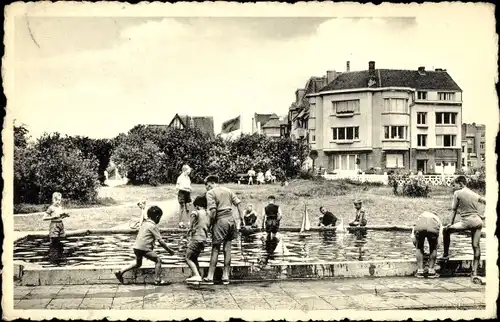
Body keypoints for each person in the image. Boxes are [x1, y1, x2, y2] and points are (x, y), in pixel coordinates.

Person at [115, 206, 175, 285]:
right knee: (158, 260)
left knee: (138, 264)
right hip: (144, 248)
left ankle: (121, 271)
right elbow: (160, 241)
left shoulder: (145, 223)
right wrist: (169, 250)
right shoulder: (153, 226)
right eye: (159, 218)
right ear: (157, 217)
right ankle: (157, 280)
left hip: (136, 247)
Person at [443, 175, 486, 284]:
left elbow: (453, 210)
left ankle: (445, 255)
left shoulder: (457, 193)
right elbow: (487, 202)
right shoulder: (473, 193)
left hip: (466, 222)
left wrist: (450, 224)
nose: (454, 187)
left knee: (446, 231)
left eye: (455, 185)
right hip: (478, 222)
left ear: (460, 184)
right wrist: (483, 215)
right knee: (476, 246)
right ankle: (474, 272)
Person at [203, 175, 244, 285]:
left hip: (220, 221)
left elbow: (213, 211)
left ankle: (210, 276)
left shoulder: (210, 193)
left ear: (210, 183)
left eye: (207, 186)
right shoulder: (228, 190)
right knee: (227, 249)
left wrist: (209, 224)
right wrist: (242, 218)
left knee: (215, 248)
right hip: (231, 221)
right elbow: (239, 204)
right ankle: (226, 275)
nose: (206, 188)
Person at [185, 195, 209, 284]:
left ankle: (196, 275)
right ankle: (197, 274)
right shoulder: (207, 213)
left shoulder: (197, 212)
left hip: (196, 238)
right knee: (194, 258)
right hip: (203, 239)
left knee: (187, 257)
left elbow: (194, 214)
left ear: (198, 206)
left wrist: (190, 227)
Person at [411, 211, 443, 278]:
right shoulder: (437, 219)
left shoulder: (420, 216)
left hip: (420, 226)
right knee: (433, 248)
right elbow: (440, 239)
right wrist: (436, 247)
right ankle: (431, 271)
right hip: (433, 227)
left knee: (419, 247)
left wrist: (417, 246)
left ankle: (420, 271)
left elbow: (413, 237)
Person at [42, 192, 70, 264]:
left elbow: (60, 217)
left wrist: (65, 216)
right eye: (56, 200)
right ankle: (53, 260)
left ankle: (60, 258)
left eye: (59, 200)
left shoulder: (60, 207)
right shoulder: (51, 208)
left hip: (60, 224)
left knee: (60, 242)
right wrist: (53, 217)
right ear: (53, 200)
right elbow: (44, 218)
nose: (58, 202)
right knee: (54, 241)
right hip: (54, 225)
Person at [176, 165, 192, 229]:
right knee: (182, 208)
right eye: (188, 171)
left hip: (187, 193)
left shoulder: (188, 178)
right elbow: (178, 187)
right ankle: (180, 223)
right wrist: (187, 187)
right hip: (182, 193)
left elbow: (189, 185)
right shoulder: (180, 178)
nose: (189, 172)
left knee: (188, 208)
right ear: (184, 170)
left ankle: (189, 222)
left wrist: (189, 188)